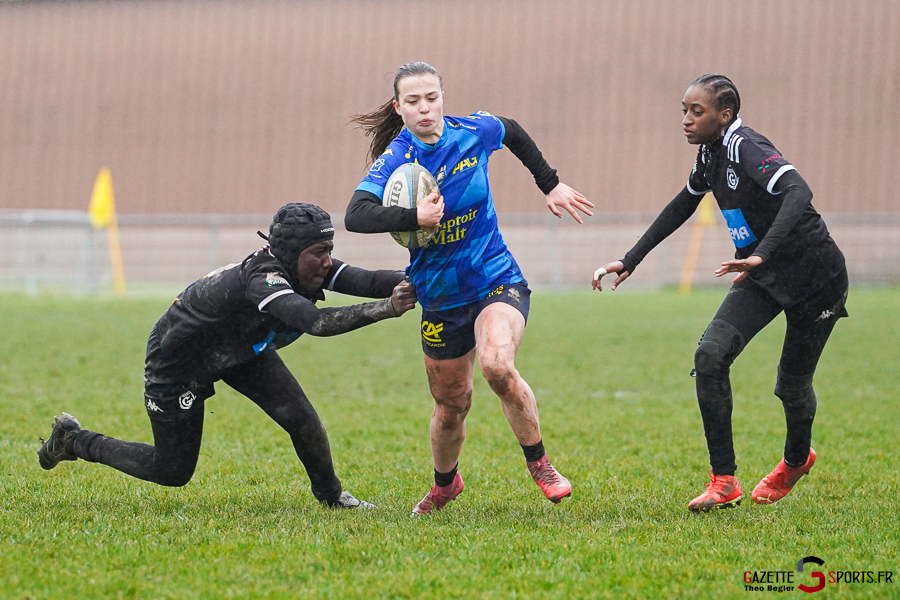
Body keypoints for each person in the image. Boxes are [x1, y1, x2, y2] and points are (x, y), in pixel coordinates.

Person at [37, 203, 417, 509]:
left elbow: (367, 280)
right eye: (319, 252)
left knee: (302, 419)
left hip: (238, 350)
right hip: (179, 359)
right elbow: (315, 322)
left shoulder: (305, 267)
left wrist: (424, 277)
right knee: (172, 471)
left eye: (329, 250)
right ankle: (74, 441)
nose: (327, 261)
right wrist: (387, 308)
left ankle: (332, 497)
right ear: (289, 253)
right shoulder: (264, 276)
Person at [591, 74, 848, 512]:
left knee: (791, 386)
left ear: (724, 115)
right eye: (684, 111)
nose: (687, 120)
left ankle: (795, 459)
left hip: (815, 276)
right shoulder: (709, 156)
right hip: (762, 275)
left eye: (697, 112)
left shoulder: (745, 146)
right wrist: (631, 258)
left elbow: (798, 191)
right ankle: (724, 480)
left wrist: (761, 254)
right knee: (710, 356)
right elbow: (683, 203)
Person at [345, 62, 593, 515]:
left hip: (495, 279)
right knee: (450, 405)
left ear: (443, 96)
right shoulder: (396, 160)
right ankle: (445, 484)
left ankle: (540, 464)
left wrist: (550, 184)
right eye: (414, 102)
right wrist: (412, 218)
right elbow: (356, 214)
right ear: (399, 108)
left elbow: (513, 131)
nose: (425, 109)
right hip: (440, 298)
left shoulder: (472, 131)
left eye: (432, 98)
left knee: (498, 365)